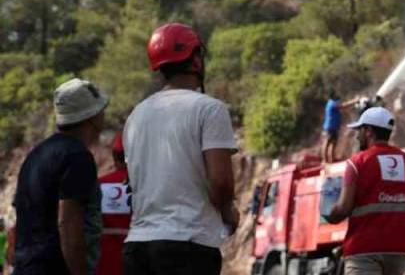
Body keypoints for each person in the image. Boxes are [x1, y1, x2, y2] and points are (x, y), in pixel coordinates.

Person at [123, 23, 239, 275]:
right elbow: (220, 183)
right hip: (188, 246)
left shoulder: (136, 115)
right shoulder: (210, 109)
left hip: (137, 246)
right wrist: (229, 211)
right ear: (195, 60)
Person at [12, 78, 109, 275]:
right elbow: (68, 223)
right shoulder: (77, 156)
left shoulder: (37, 154)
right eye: (101, 108)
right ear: (92, 115)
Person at [324, 106, 405, 275]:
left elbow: (343, 208)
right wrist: (400, 213)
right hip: (398, 251)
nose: (357, 135)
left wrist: (329, 214)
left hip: (364, 251)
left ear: (369, 131)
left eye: (359, 130)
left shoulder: (357, 163)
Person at [96, 133, 130, 275]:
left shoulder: (97, 185)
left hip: (103, 261)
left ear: (115, 156)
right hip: (135, 261)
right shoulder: (145, 186)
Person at [321, 90, 359, 163]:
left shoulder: (333, 103)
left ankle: (331, 160)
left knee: (333, 143)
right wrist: (354, 101)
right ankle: (325, 161)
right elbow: (343, 106)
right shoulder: (332, 103)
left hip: (334, 127)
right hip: (330, 127)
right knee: (327, 143)